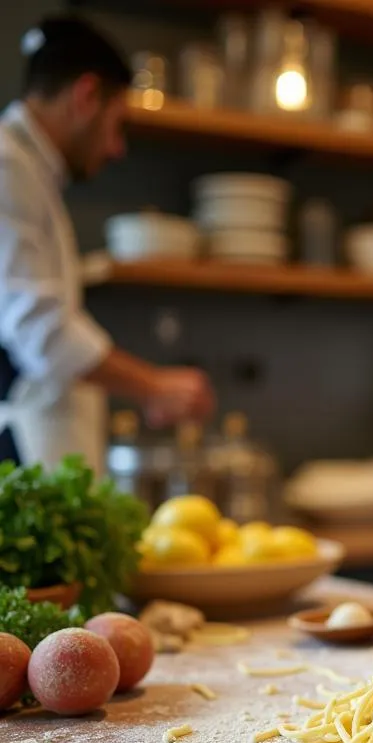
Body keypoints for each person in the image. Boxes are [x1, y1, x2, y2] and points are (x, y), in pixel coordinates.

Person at [0, 16, 215, 473]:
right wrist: (155, 385)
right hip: (18, 451)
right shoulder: (6, 168)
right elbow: (41, 330)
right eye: (117, 125)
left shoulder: (29, 174)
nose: (117, 148)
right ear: (85, 96)